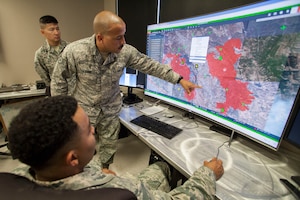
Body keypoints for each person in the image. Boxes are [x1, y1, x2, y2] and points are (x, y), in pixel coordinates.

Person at [51, 10, 201, 168]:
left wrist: (179, 80)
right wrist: (64, 112)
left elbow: (151, 65)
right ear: (100, 37)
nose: (123, 42)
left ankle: (105, 171)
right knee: (79, 152)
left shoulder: (125, 52)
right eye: (118, 37)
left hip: (111, 110)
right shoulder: (75, 52)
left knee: (108, 149)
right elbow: (58, 79)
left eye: (123, 35)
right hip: (84, 111)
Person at [8, 95, 224, 199]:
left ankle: (165, 168)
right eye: (88, 130)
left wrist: (94, 173)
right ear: (73, 159)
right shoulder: (118, 192)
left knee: (160, 168)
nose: (94, 130)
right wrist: (207, 174)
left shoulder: (19, 177)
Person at [34, 15, 68, 96]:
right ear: (42, 32)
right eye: (51, 29)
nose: (56, 32)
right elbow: (46, 79)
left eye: (57, 29)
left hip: (75, 94)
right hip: (56, 94)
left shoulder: (70, 48)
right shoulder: (40, 54)